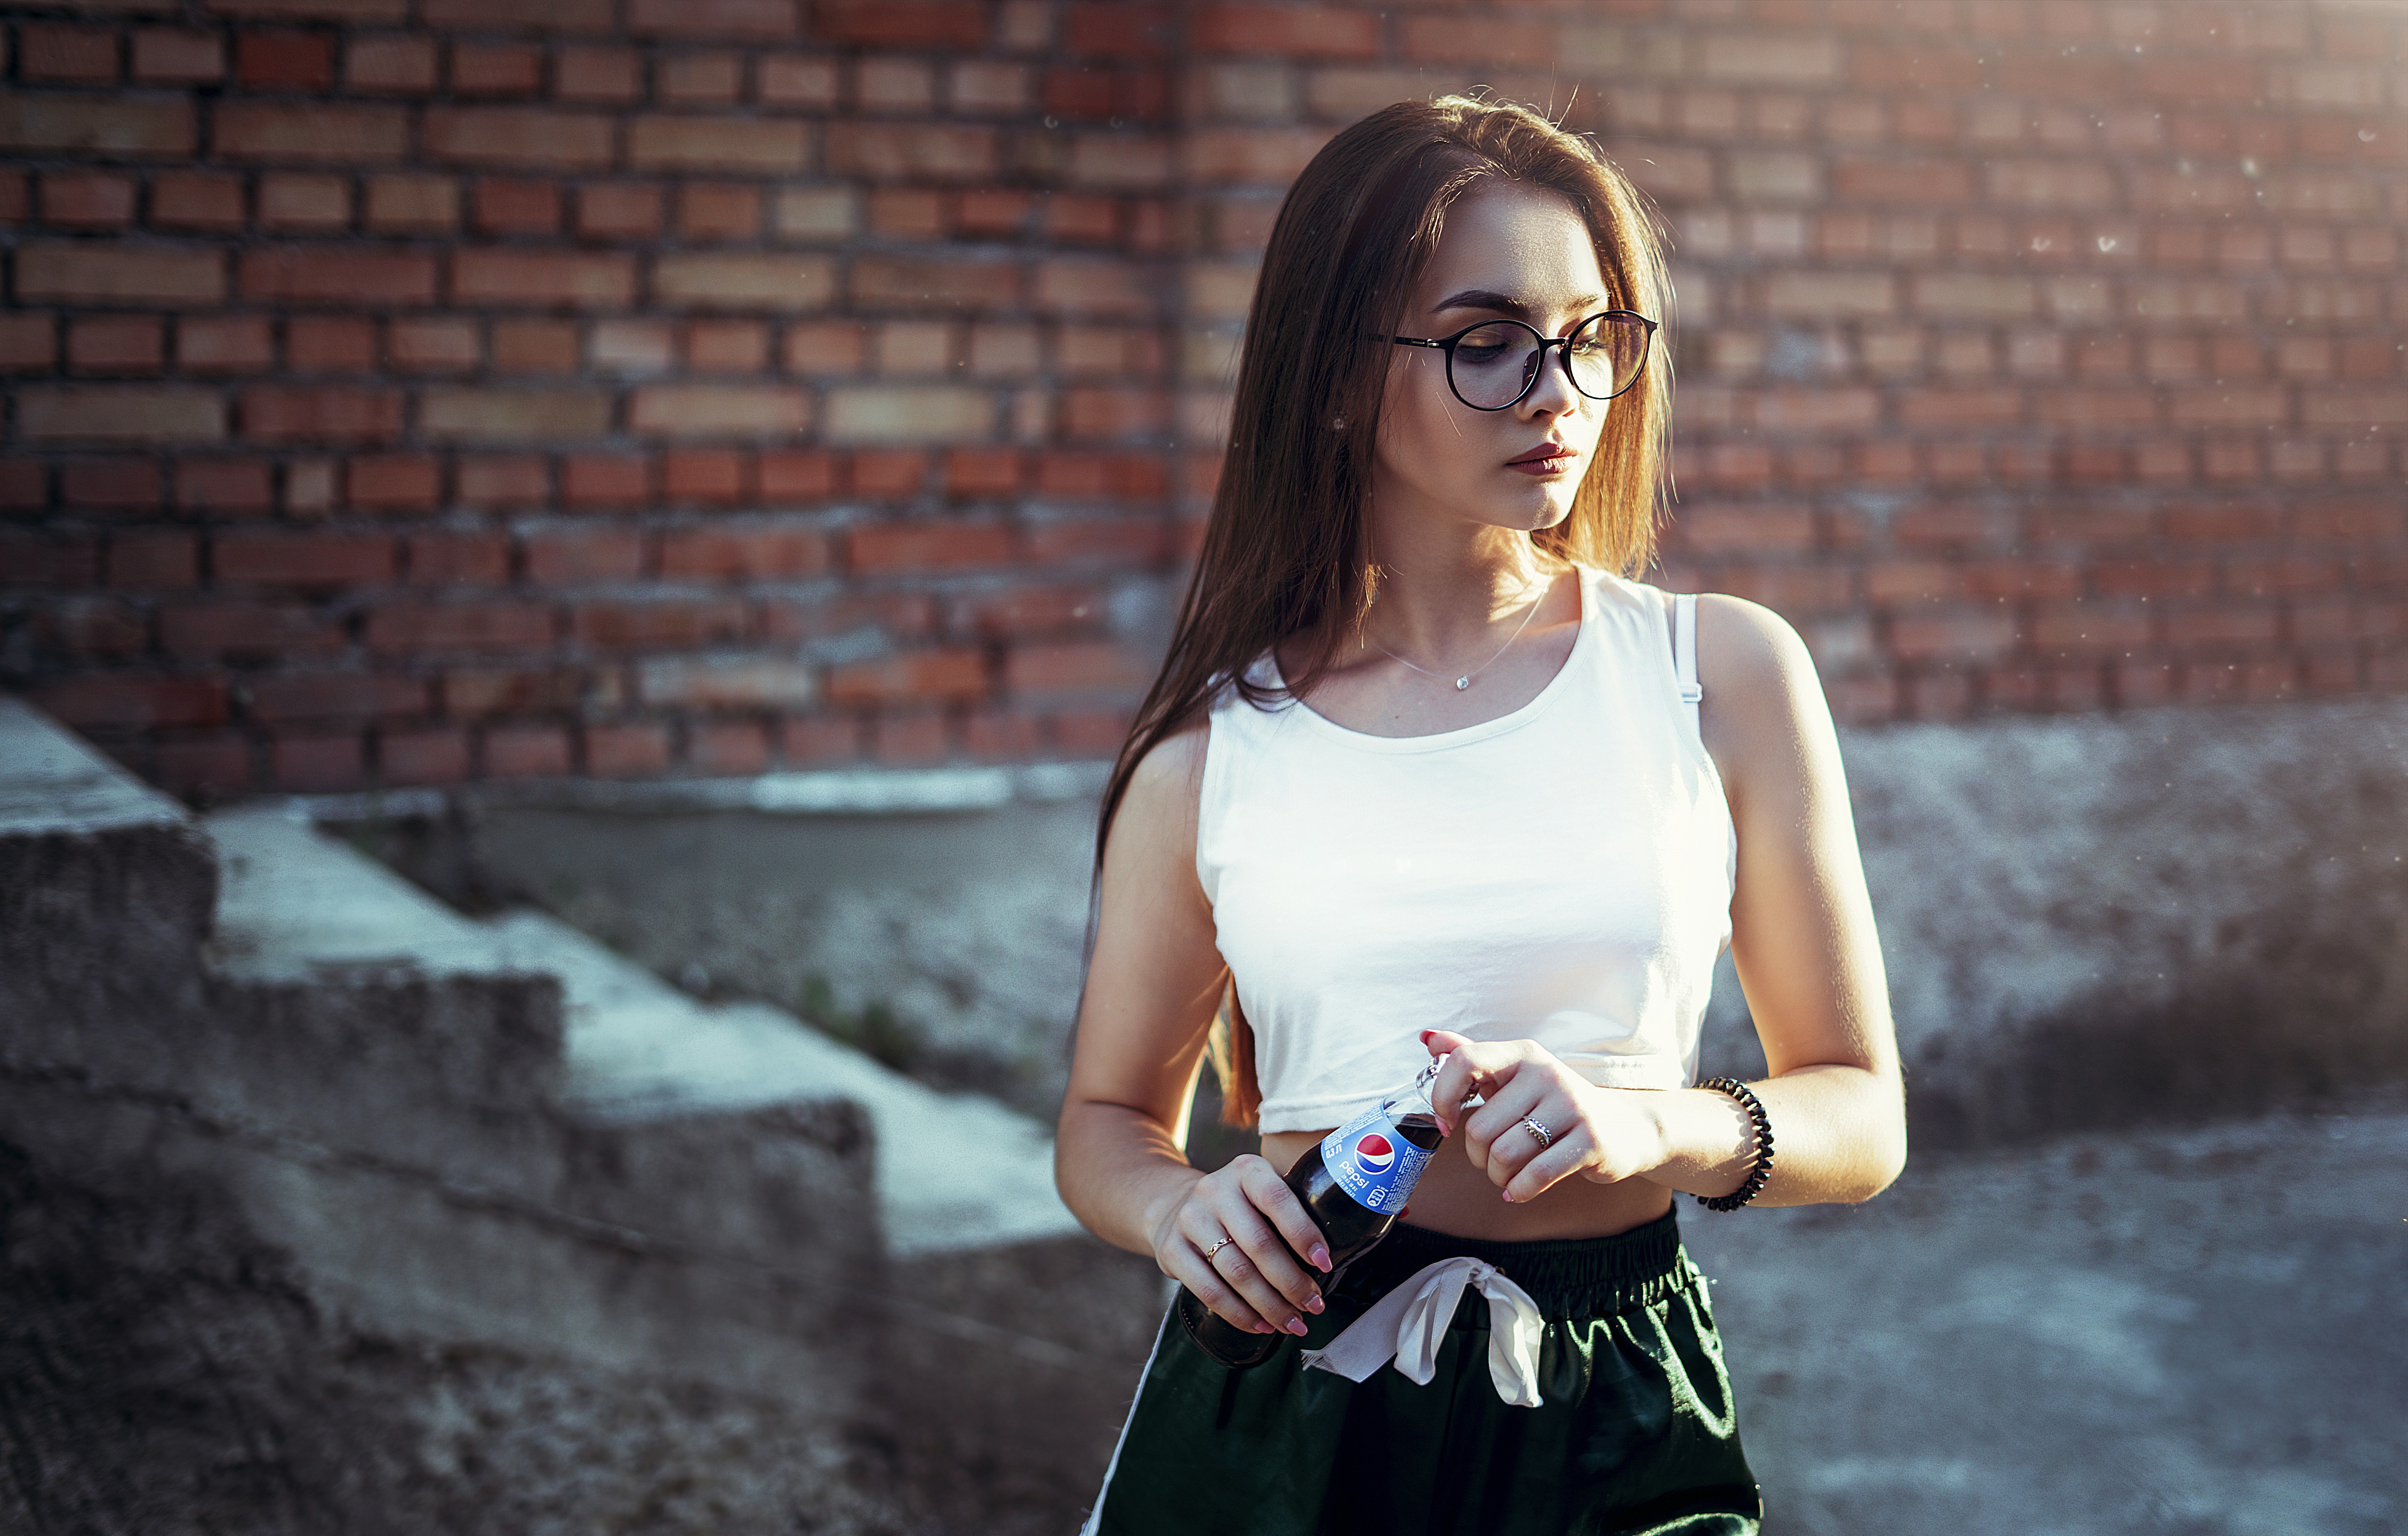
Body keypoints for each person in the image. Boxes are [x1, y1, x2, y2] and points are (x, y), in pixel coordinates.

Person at [1055, 95, 1904, 1536]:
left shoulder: (1721, 674)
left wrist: (1654, 1126)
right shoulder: (1214, 757)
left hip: (1617, 1400)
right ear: (1332, 375)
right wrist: (1177, 1212)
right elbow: (1107, 1122)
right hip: (1288, 1413)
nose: (1560, 389)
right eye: (1487, 340)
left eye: (1592, 337)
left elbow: (1862, 1115)